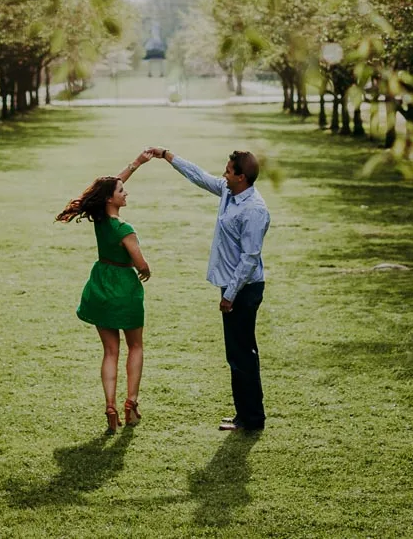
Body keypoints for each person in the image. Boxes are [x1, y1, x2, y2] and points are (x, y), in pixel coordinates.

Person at [147, 146, 270, 432]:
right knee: (237, 354)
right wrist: (168, 156)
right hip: (232, 286)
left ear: (241, 177)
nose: (224, 175)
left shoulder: (254, 210)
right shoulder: (230, 192)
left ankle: (252, 419)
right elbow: (200, 176)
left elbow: (250, 259)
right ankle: (245, 416)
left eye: (228, 171)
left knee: (242, 355)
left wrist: (230, 295)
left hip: (244, 289)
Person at [56, 150, 153, 432]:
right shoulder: (124, 227)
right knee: (135, 346)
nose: (126, 193)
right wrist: (146, 270)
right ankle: (131, 404)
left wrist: (135, 164)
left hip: (100, 284)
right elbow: (139, 261)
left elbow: (109, 187)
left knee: (110, 351)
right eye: (122, 191)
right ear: (111, 198)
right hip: (124, 288)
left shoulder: (100, 217)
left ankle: (110, 406)